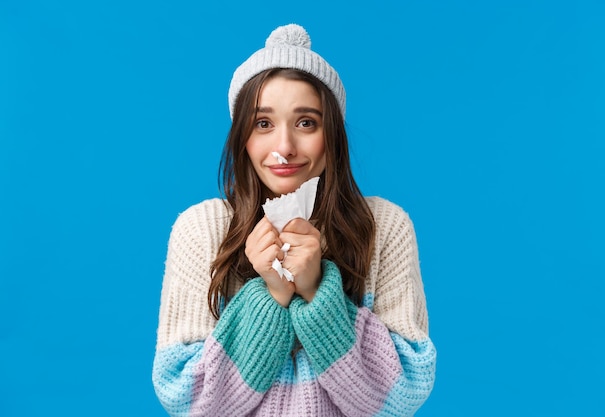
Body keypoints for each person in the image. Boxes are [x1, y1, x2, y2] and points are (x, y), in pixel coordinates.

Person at [152, 23, 436, 416]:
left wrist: (317, 290)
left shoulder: (384, 226)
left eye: (306, 122)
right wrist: (273, 294)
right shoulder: (202, 229)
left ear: (331, 134)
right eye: (263, 124)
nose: (284, 147)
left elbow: (403, 393)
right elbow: (188, 399)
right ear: (243, 138)